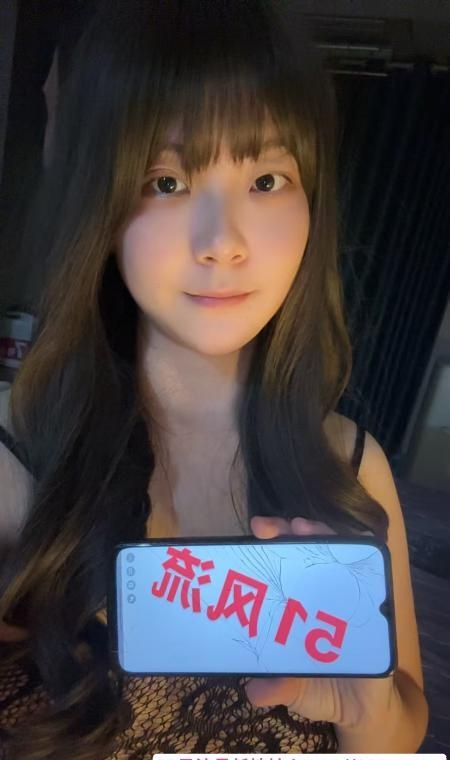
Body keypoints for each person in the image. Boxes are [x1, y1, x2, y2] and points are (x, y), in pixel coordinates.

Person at [0, 1, 428, 758]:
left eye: (266, 178)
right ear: (102, 205)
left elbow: (401, 726)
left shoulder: (352, 464)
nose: (223, 243)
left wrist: (367, 713)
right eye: (166, 182)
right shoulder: (15, 459)